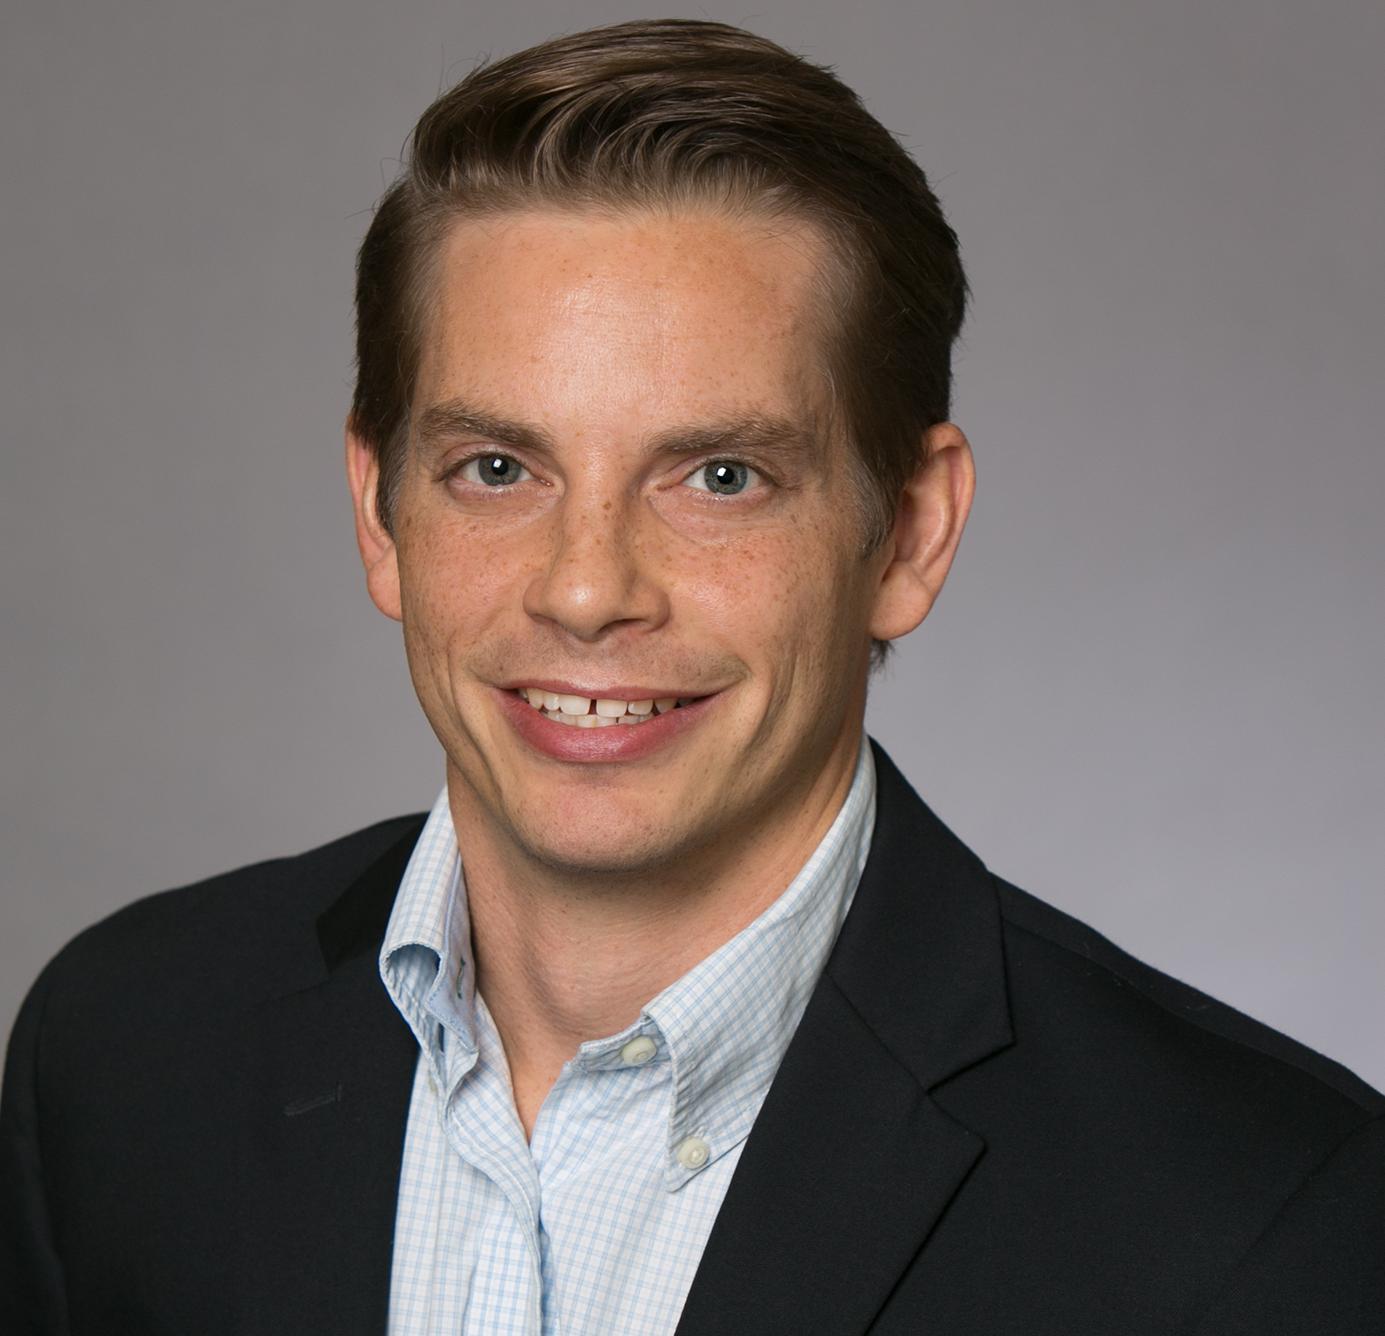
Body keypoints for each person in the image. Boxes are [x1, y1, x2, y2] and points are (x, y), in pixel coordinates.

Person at [2, 17, 1381, 1334]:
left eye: (719, 477)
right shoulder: (123, 1053)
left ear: (907, 532)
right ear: (381, 517)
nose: (587, 588)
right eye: (497, 469)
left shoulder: (1263, 1216)